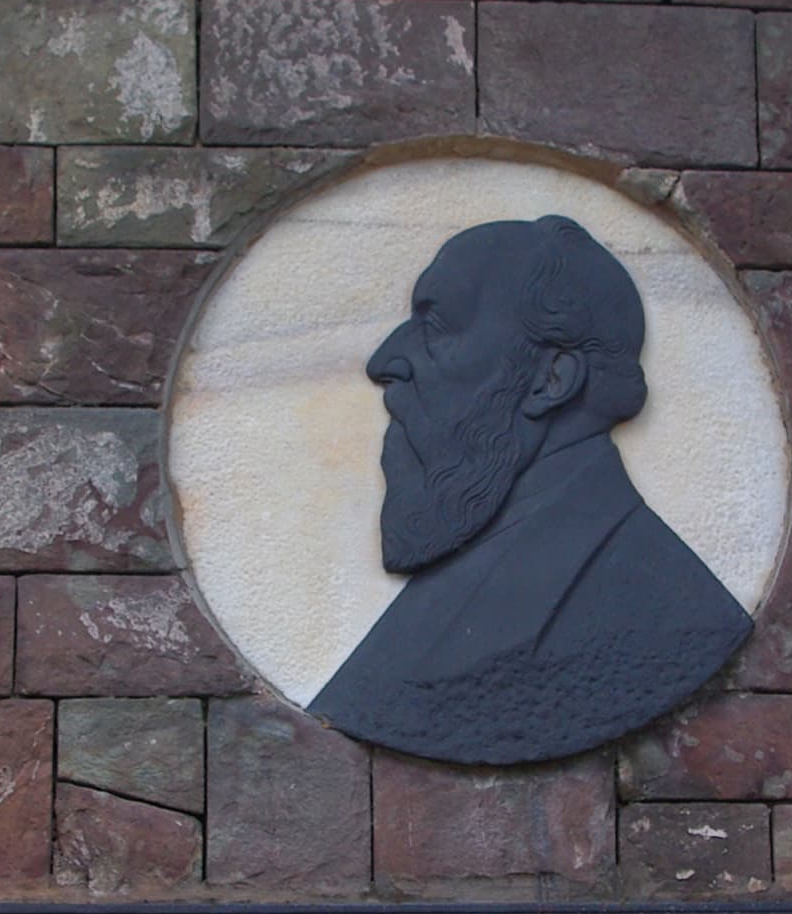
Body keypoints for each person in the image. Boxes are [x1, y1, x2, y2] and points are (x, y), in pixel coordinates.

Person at [307, 215, 751, 764]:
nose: (385, 362)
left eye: (437, 325)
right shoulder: (482, 551)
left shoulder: (666, 610)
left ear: (551, 381)